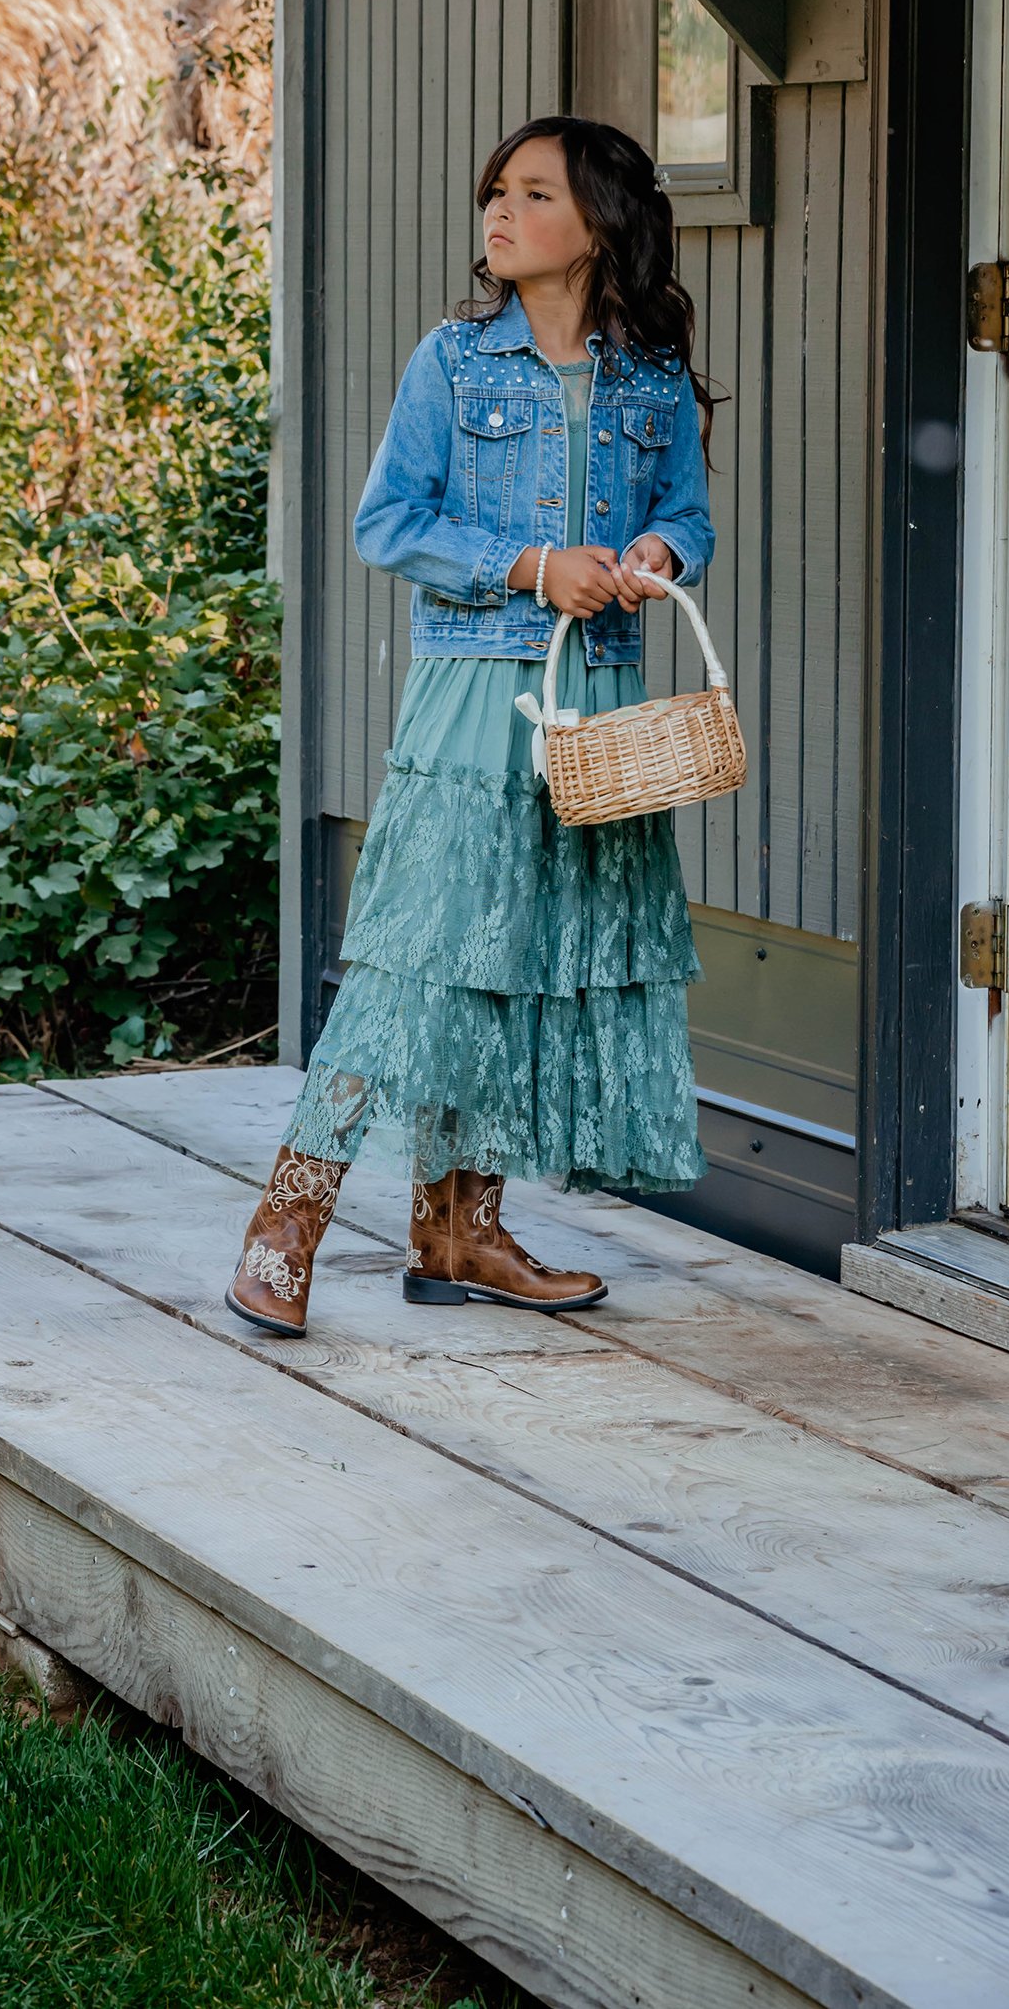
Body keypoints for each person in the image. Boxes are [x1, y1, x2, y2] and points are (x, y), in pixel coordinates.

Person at [226, 115, 714, 1328]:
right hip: (475, 698)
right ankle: (283, 1230)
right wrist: (531, 563)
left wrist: (657, 549)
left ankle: (460, 1235)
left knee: (519, 962)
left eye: (532, 194)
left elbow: (690, 517)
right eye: (494, 191)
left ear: (598, 223)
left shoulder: (650, 377)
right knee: (418, 960)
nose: (498, 213)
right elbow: (387, 524)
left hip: (598, 701)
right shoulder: (453, 362)